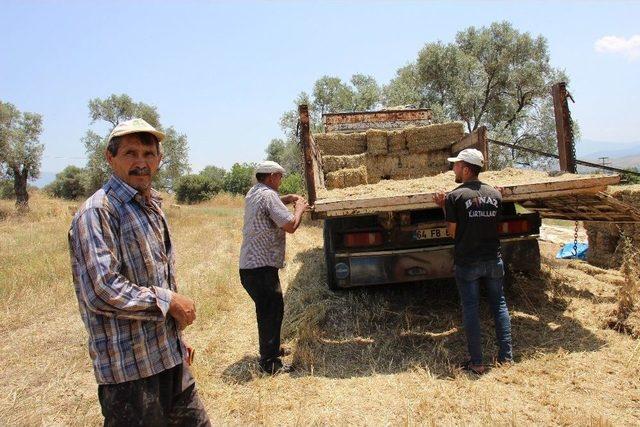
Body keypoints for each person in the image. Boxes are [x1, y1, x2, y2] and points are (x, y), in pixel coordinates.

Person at [69, 118, 210, 425]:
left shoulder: (150, 205)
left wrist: (174, 339)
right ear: (110, 157)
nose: (141, 163)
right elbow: (102, 291)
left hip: (168, 361)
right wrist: (168, 301)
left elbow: (153, 276)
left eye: (148, 154)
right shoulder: (98, 212)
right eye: (130, 153)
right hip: (130, 376)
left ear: (159, 159)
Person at [433, 148, 513, 375]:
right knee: (499, 306)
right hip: (493, 259)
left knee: (471, 309)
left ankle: (477, 362)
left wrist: (444, 207)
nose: (453, 169)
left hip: (468, 262)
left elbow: (452, 232)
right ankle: (506, 358)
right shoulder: (496, 195)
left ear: (466, 169)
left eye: (456, 165)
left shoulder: (455, 197)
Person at [239, 160, 308, 374]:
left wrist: (286, 199)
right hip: (261, 268)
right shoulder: (268, 195)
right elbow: (290, 226)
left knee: (271, 309)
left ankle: (273, 350)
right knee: (271, 311)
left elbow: (272, 203)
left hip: (250, 267)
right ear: (271, 177)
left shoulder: (254, 193)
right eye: (280, 176)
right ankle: (270, 364)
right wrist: (299, 209)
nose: (281, 180)